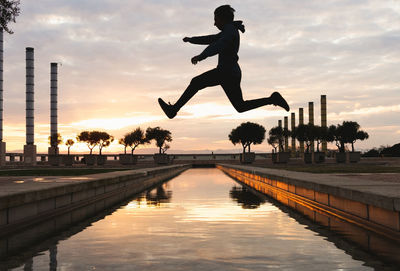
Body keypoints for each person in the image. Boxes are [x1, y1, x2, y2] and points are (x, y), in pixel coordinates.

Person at [158, 5, 289, 119]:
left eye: (216, 20)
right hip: (232, 73)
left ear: (223, 19)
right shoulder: (229, 30)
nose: (214, 23)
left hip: (226, 72)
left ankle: (173, 110)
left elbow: (219, 44)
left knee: (196, 82)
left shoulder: (229, 30)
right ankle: (272, 99)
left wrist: (201, 56)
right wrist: (191, 39)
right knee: (240, 106)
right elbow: (211, 39)